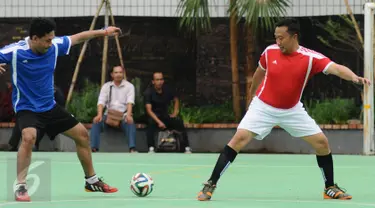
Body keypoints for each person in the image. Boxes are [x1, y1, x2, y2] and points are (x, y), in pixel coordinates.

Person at [197, 18, 370, 201]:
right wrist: (252, 95)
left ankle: (330, 188)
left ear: (294, 37)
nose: (278, 42)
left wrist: (354, 78)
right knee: (238, 139)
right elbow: (259, 73)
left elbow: (335, 68)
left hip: (292, 110)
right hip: (262, 107)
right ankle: (211, 183)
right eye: (276, 38)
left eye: (281, 38)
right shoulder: (270, 52)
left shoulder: (311, 58)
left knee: (322, 143)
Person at [0, 18, 121, 202]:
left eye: (52, 39)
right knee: (28, 137)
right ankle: (21, 186)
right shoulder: (16, 51)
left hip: (49, 106)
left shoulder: (54, 46)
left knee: (82, 135)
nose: (51, 42)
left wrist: (103, 32)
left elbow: (79, 37)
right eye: (47, 40)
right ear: (34, 38)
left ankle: (91, 180)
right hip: (27, 108)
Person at [0, 85, 66, 152]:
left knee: (39, 123)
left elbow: (60, 108)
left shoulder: (56, 92)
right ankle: (13, 144)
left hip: (51, 117)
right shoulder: (36, 91)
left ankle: (34, 144)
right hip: (37, 115)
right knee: (21, 121)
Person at [90, 66, 137, 153]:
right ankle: (94, 148)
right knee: (96, 121)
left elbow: (130, 102)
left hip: (123, 115)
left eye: (120, 72)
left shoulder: (129, 86)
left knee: (130, 122)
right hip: (109, 115)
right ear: (112, 74)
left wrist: (129, 115)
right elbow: (101, 102)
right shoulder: (106, 86)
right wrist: (99, 115)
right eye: (116, 72)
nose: (118, 74)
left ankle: (132, 148)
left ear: (123, 74)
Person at [143, 72, 192, 153]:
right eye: (157, 80)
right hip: (152, 116)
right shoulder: (148, 92)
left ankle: (186, 147)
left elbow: (176, 99)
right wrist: (159, 122)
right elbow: (149, 110)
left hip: (163, 115)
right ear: (153, 81)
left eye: (161, 79)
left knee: (178, 122)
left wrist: (175, 112)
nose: (159, 82)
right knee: (151, 123)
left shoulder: (167, 90)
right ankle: (151, 148)